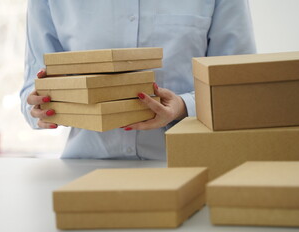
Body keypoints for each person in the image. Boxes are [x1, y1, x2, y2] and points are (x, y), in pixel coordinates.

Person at [20, 0, 256, 160]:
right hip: (86, 169)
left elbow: (241, 86)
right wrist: (41, 105)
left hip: (188, 167)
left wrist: (185, 107)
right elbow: (33, 85)